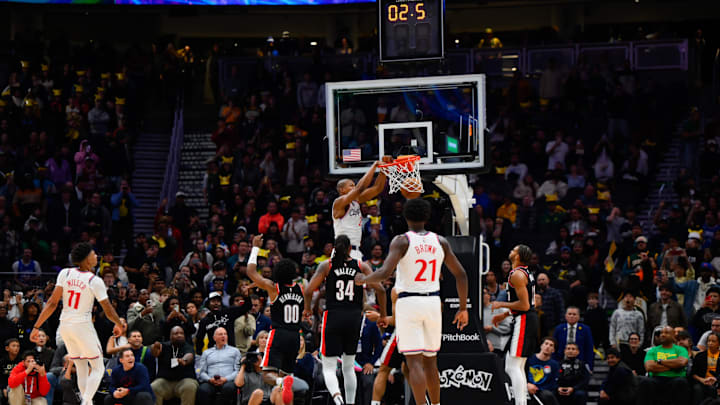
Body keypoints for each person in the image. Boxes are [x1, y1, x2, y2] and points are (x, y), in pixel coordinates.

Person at [355, 198, 469, 405]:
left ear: (406, 218)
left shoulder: (401, 240)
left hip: (408, 302)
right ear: (427, 217)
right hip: (433, 303)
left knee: (414, 362)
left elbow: (384, 272)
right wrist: (463, 308)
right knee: (431, 363)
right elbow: (461, 275)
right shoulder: (441, 241)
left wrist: (364, 279)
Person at [30, 242, 123, 405]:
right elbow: (107, 308)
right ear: (87, 259)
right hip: (82, 326)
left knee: (80, 365)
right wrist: (119, 324)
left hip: (65, 325)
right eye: (94, 254)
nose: (96, 256)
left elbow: (52, 303)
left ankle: (86, 401)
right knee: (98, 367)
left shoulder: (65, 273)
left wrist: (36, 327)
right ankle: (86, 401)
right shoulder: (94, 280)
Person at [303, 235, 386, 405]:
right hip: (354, 318)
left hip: (333, 315)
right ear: (350, 249)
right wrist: (383, 314)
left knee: (329, 367)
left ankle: (337, 398)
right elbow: (381, 290)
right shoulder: (361, 265)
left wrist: (307, 309)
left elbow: (309, 289)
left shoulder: (327, 265)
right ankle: (349, 403)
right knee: (349, 366)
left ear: (335, 248)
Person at [246, 235, 306, 405]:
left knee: (268, 375)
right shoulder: (301, 288)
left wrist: (255, 248)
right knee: (285, 381)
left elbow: (250, 272)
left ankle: (281, 382)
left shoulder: (274, 288)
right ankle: (283, 385)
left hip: (279, 333)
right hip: (295, 336)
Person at [490, 245, 539, 405]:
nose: (511, 250)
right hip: (527, 318)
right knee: (518, 365)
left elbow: (525, 305)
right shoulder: (524, 272)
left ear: (518, 256)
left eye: (514, 250)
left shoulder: (517, 275)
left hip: (525, 319)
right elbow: (527, 305)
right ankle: (521, 402)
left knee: (511, 367)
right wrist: (504, 314)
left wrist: (500, 304)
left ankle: (520, 402)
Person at [333, 161, 387, 261]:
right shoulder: (339, 202)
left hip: (355, 251)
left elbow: (377, 188)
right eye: (351, 185)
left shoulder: (356, 201)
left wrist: (383, 169)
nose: (354, 187)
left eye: (354, 185)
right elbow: (360, 188)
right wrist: (375, 166)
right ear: (341, 190)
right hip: (343, 251)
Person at [637, 326, 690, 405]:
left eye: (666, 333)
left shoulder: (681, 349)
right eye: (661, 333)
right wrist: (673, 366)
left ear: (673, 336)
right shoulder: (653, 350)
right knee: (645, 382)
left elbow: (682, 362)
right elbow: (649, 367)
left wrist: (660, 362)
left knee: (681, 382)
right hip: (656, 378)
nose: (662, 335)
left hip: (675, 378)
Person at [150, 326, 199, 405]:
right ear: (170, 336)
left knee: (189, 387)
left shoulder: (188, 346)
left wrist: (184, 360)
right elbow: (155, 352)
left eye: (181, 333)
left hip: (184, 380)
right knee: (154, 387)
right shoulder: (164, 346)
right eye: (176, 333)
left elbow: (189, 355)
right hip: (166, 382)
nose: (179, 335)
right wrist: (154, 348)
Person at [196, 327, 241, 405]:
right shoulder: (206, 353)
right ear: (214, 338)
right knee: (203, 390)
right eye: (220, 334)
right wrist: (210, 379)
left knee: (229, 388)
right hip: (211, 381)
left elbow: (237, 371)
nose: (223, 336)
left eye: (225, 334)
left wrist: (226, 379)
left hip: (228, 381)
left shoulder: (235, 351)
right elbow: (202, 372)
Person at [526, 337, 560, 405]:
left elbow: (553, 383)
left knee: (548, 395)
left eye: (551, 345)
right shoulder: (529, 359)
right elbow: (522, 373)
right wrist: (527, 384)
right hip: (527, 387)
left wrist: (537, 389)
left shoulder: (554, 364)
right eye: (546, 343)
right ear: (541, 346)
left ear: (553, 350)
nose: (548, 346)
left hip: (543, 391)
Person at [690, 332, 720, 405]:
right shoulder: (700, 356)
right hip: (702, 382)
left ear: (719, 343)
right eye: (709, 341)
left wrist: (716, 380)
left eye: (713, 341)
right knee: (697, 389)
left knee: (713, 389)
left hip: (717, 382)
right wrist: (702, 380)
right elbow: (693, 373)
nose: (710, 343)